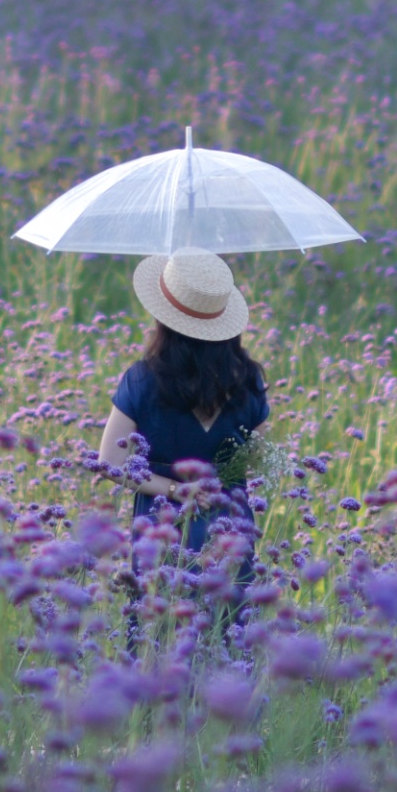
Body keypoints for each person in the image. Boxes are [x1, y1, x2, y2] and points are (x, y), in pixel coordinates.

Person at [98, 248, 266, 597]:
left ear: (164, 321)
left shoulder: (142, 381)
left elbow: (110, 464)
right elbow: (259, 457)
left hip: (163, 530)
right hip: (229, 528)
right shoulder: (248, 381)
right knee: (225, 635)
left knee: (157, 637)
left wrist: (176, 490)